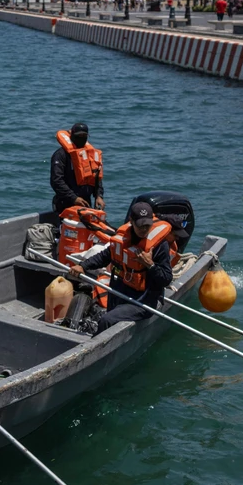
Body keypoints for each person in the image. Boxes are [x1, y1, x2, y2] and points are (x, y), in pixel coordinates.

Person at [67, 202, 175, 335]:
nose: (144, 229)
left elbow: (166, 279)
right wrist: (82, 266)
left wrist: (150, 264)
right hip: (119, 293)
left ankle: (96, 344)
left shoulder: (159, 246)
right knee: (107, 316)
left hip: (142, 301)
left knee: (106, 320)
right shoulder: (124, 238)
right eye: (140, 225)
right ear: (131, 221)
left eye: (147, 225)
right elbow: (105, 256)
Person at [50, 122, 105, 212]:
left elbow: (96, 177)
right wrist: (73, 198)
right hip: (65, 203)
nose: (81, 138)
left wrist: (99, 196)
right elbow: (56, 180)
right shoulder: (61, 155)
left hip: (85, 202)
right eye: (78, 136)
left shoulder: (89, 155)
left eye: (84, 136)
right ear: (72, 136)